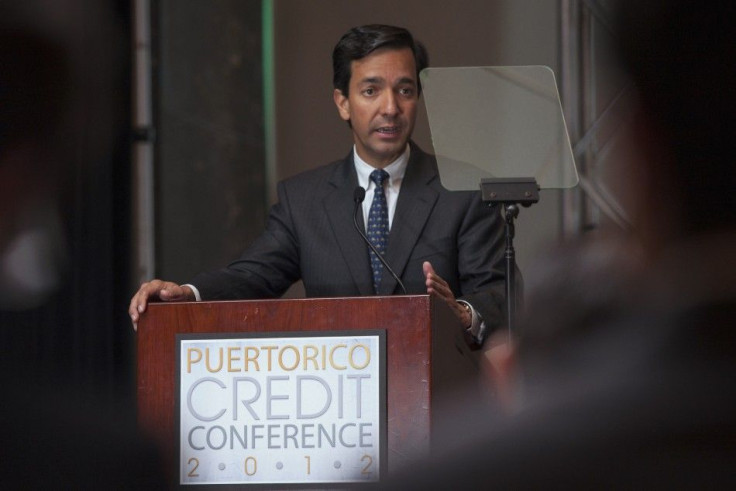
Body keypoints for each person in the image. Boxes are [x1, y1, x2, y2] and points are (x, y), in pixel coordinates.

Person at [385, 0, 736, 487]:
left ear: (640, 152)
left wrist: (467, 314)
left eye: (402, 90)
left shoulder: (467, 472)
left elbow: (493, 301)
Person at [129, 24, 507, 346]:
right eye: (371, 90)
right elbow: (252, 277)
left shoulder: (463, 189)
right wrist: (188, 295)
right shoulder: (304, 200)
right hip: (334, 404)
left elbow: (499, 295)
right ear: (343, 102)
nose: (391, 107)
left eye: (405, 90)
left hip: (440, 406)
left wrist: (462, 312)